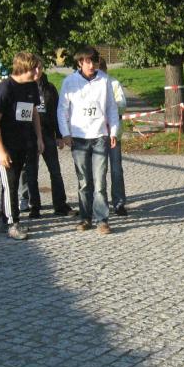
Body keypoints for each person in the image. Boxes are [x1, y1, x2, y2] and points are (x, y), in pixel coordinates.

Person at [57, 46, 120, 235]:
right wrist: (65, 133)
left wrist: (114, 132)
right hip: (79, 138)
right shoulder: (69, 82)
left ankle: (102, 220)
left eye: (94, 61)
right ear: (80, 63)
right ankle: (85, 217)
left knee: (100, 181)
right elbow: (62, 109)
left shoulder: (104, 80)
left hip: (100, 136)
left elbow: (111, 108)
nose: (92, 65)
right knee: (84, 181)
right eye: (88, 62)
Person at [0, 51, 44, 240]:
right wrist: (1, 150)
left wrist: (39, 138)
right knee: (10, 185)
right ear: (25, 68)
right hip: (7, 145)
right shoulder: (5, 88)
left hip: (25, 142)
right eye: (36, 68)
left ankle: (7, 219)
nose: (39, 71)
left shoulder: (32, 86)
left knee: (14, 183)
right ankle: (12, 224)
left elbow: (34, 112)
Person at [17, 57, 76, 217]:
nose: (37, 71)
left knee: (55, 171)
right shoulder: (22, 88)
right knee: (31, 173)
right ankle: (34, 206)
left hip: (48, 135)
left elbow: (57, 112)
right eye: (34, 68)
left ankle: (60, 205)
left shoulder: (49, 88)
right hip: (29, 137)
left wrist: (59, 135)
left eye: (40, 68)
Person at [97, 57, 128, 216]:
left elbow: (122, 105)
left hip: (113, 134)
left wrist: (108, 106)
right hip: (96, 133)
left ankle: (119, 202)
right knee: (99, 170)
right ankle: (99, 203)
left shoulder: (114, 83)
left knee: (116, 170)